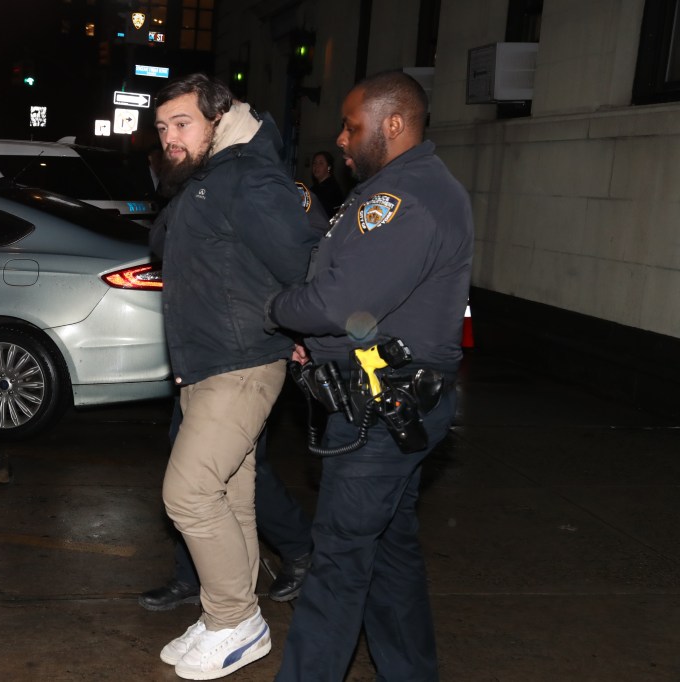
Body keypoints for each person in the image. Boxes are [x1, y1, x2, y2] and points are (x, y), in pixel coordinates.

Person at [267, 70, 474, 681]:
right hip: (389, 398)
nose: (343, 137)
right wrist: (323, 346)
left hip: (382, 408)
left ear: (394, 123)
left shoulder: (403, 201)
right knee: (388, 551)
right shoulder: (405, 189)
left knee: (338, 560)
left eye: (353, 126)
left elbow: (339, 300)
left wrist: (279, 310)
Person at [149, 73, 320, 680]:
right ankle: (227, 616)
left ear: (219, 117)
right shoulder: (207, 176)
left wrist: (303, 337)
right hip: (205, 363)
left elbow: (304, 265)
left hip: (241, 362)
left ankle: (234, 619)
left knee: (188, 494)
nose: (170, 136)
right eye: (164, 127)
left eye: (183, 123)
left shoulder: (250, 176)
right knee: (231, 497)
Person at [139, 399, 313, 611]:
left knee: (240, 469)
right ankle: (193, 574)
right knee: (188, 467)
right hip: (195, 377)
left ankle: (299, 547)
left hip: (236, 376)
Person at [308, 150, 348, 217]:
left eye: (321, 163)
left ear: (329, 167)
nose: (316, 166)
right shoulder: (315, 188)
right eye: (314, 163)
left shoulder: (332, 189)